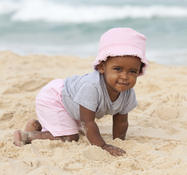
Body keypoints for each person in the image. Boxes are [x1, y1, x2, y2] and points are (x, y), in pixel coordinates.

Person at [13, 27, 149, 156]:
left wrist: (117, 143)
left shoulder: (128, 93)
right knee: (71, 137)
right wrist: (102, 146)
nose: (125, 77)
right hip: (56, 98)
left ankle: (38, 125)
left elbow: (121, 121)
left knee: (72, 129)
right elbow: (87, 122)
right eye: (118, 69)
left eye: (132, 71)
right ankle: (26, 136)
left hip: (73, 105)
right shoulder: (92, 86)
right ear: (102, 67)